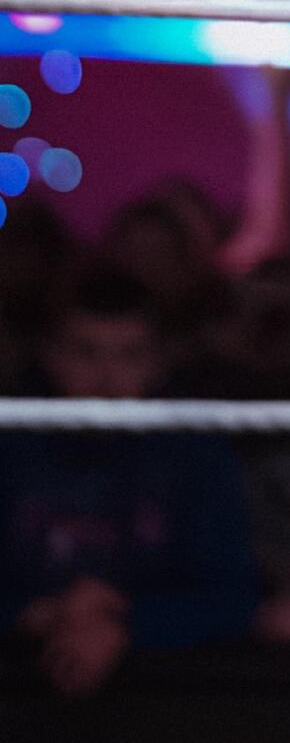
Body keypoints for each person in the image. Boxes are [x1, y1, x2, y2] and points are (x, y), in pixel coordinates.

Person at [0, 260, 256, 695]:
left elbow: (236, 599)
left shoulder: (193, 447)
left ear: (157, 362)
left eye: (129, 354)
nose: (107, 377)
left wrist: (126, 623)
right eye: (86, 352)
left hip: (167, 706)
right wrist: (37, 613)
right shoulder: (11, 439)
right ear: (52, 355)